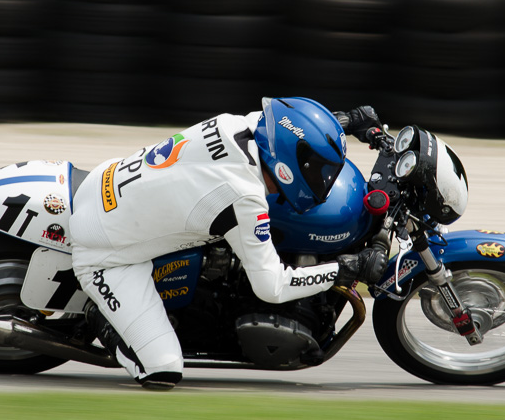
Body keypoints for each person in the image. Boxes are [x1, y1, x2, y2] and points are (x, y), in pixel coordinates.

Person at [69, 97, 388, 390]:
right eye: (318, 171)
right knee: (163, 370)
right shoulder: (244, 197)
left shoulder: (242, 124)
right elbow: (272, 287)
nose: (325, 180)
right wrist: (347, 269)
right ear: (287, 169)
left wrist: (347, 121)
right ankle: (102, 318)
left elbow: (292, 128)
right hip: (106, 254)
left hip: (105, 181)